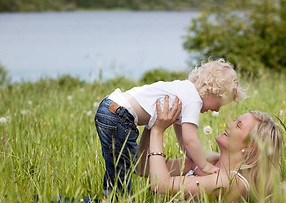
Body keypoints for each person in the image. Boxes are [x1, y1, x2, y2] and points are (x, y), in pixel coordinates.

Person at [94, 59, 246, 195]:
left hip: (111, 108)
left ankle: (113, 202)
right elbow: (190, 140)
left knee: (117, 163)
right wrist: (204, 165)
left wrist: (192, 158)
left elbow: (182, 139)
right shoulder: (194, 100)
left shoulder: (183, 92)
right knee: (121, 168)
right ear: (211, 91)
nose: (217, 110)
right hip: (120, 114)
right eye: (219, 103)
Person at [147, 96, 282, 203]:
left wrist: (157, 131)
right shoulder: (206, 163)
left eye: (238, 126)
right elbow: (142, 168)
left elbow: (161, 185)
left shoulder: (232, 182)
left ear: (250, 146)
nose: (228, 124)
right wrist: (150, 121)